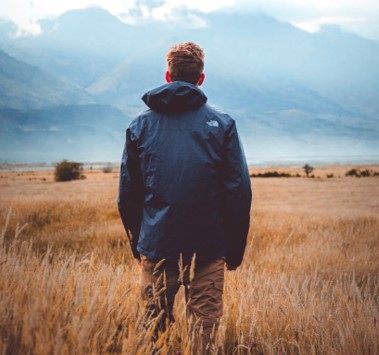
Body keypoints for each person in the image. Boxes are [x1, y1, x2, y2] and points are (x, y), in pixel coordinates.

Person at [118, 42, 252, 353]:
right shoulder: (222, 124)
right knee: (203, 331)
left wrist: (137, 245)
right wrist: (234, 250)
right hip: (209, 248)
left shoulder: (140, 125)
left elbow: (128, 194)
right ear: (201, 79)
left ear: (168, 76)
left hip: (157, 245)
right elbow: (238, 192)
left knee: (154, 331)